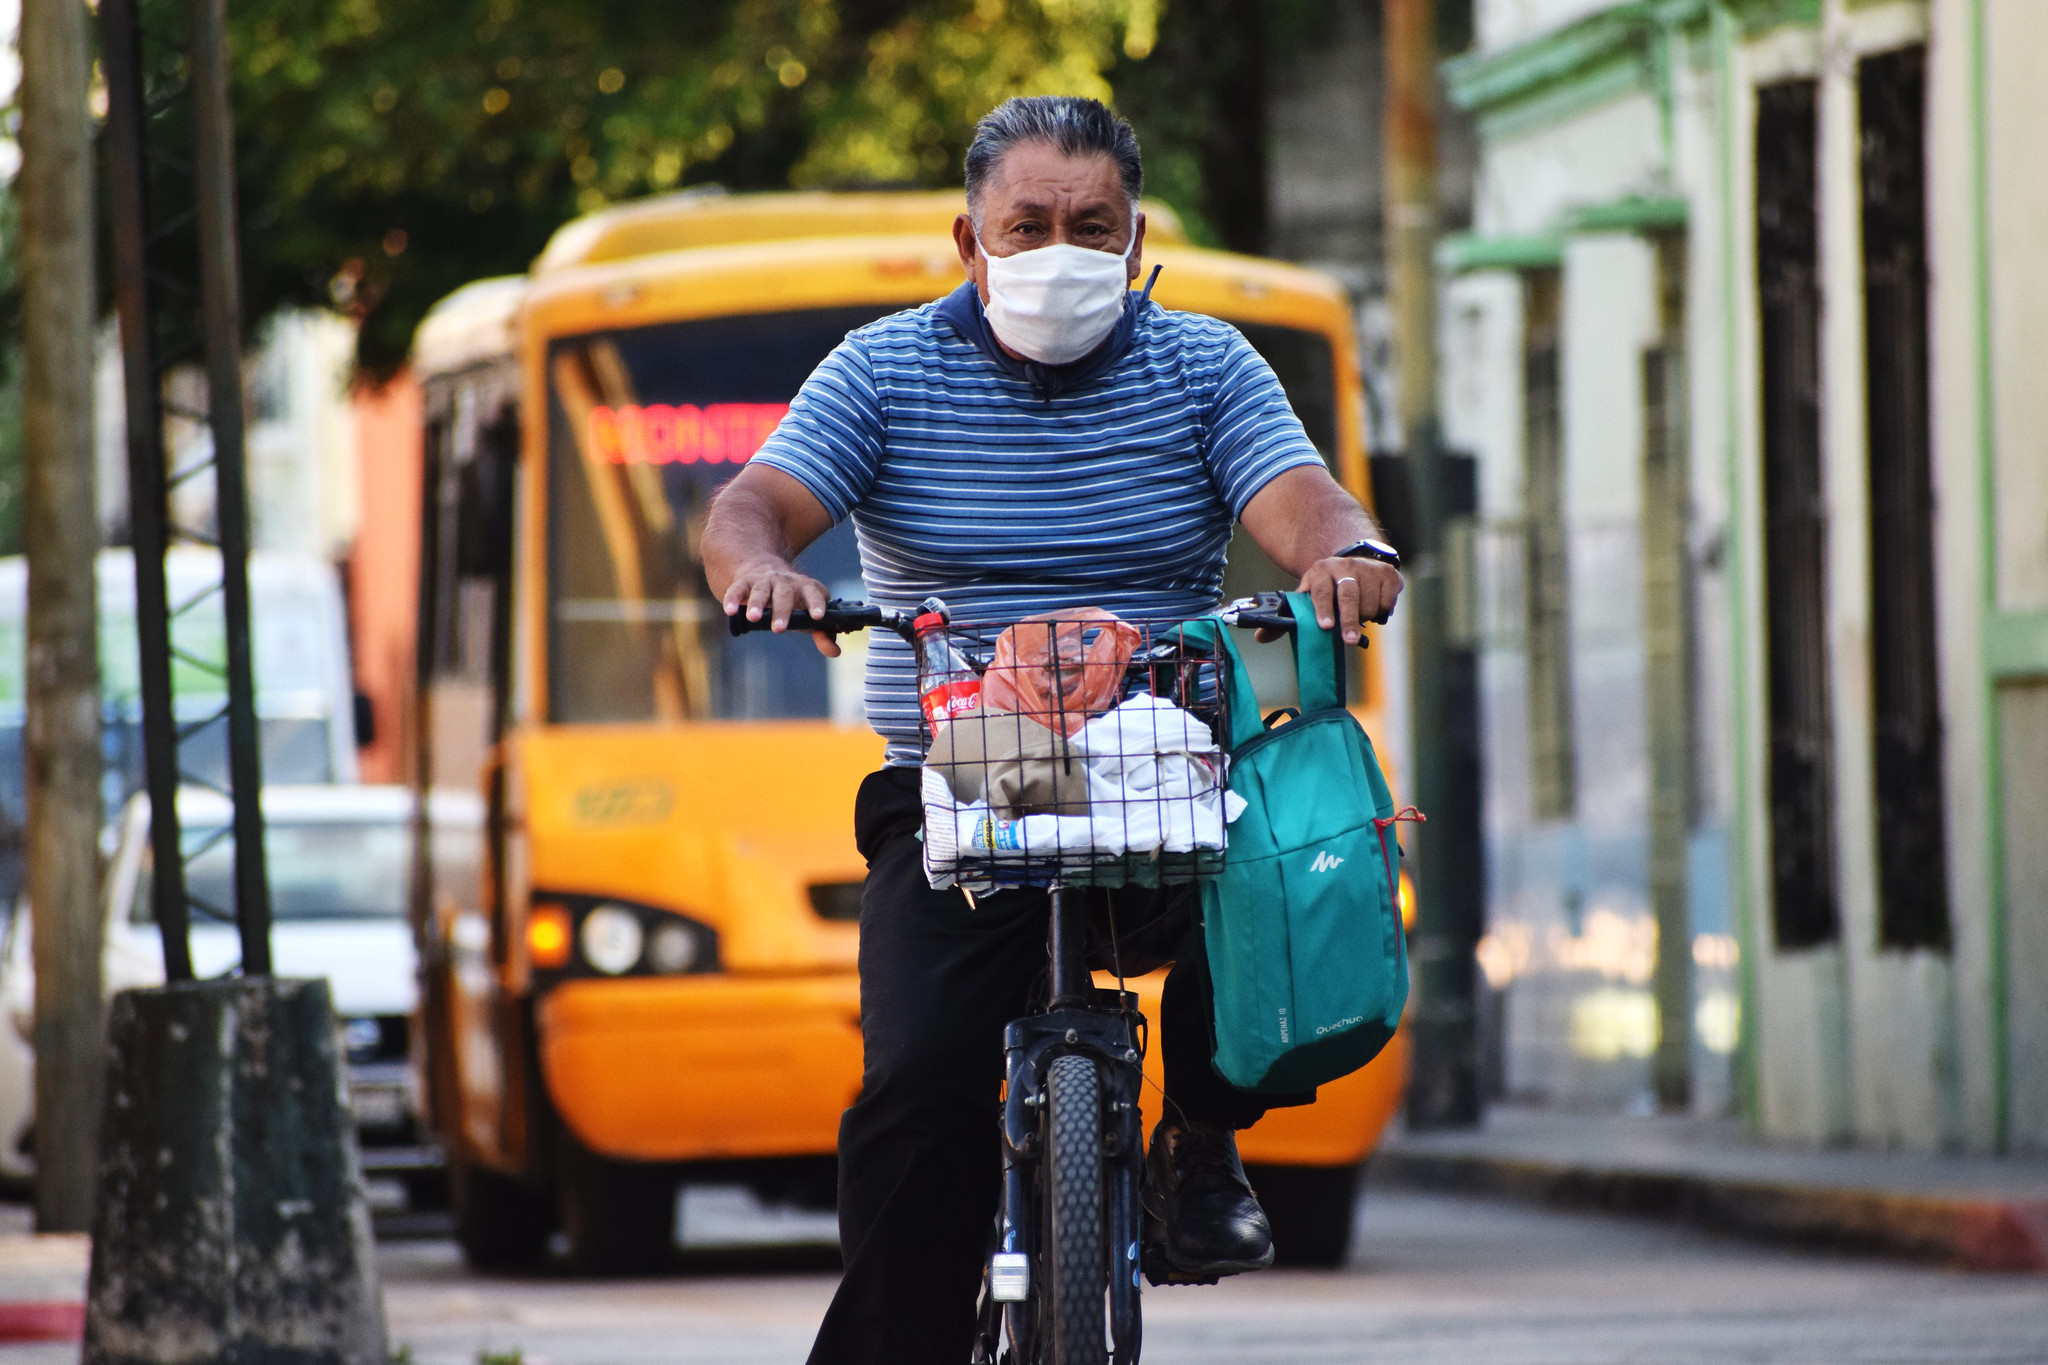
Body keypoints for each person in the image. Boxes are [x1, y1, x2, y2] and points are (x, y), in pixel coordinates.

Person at [702, 94, 1404, 1365]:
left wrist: (1346, 555)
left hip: (1167, 775)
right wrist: (763, 572)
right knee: (916, 1094)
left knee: (1289, 892)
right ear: (967, 242)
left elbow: (1301, 499)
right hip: (958, 789)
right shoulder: (880, 370)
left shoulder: (1203, 364)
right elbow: (750, 506)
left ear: (1136, 245)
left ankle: (1195, 1135)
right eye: (1024, 226)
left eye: (1091, 226)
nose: (1056, 250)